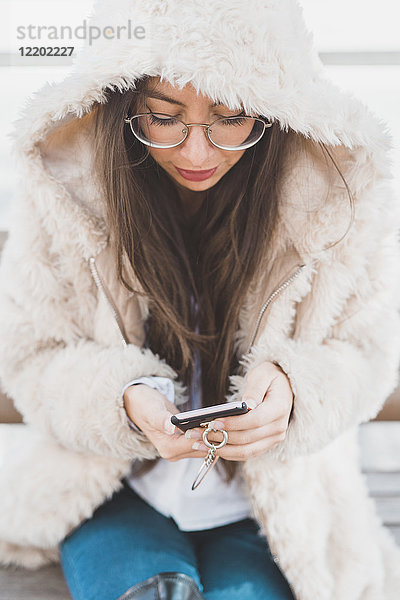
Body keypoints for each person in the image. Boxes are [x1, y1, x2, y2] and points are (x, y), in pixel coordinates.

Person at [0, 0, 399, 599]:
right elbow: (31, 354)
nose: (196, 153)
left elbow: (366, 351)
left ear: (274, 105)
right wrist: (123, 402)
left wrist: (296, 392)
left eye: (231, 117)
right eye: (163, 116)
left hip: (271, 509)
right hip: (110, 491)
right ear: (121, 102)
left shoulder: (335, 198)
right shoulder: (66, 191)